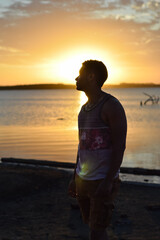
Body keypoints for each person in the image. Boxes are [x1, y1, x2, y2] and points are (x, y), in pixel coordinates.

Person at [68, 60, 127, 240]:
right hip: (83, 179)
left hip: (102, 179)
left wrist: (109, 181)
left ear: (92, 77)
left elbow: (120, 146)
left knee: (97, 230)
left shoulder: (111, 106)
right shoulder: (83, 110)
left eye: (80, 73)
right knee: (91, 225)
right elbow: (82, 147)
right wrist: (74, 177)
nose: (76, 78)